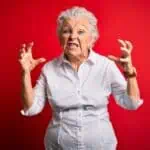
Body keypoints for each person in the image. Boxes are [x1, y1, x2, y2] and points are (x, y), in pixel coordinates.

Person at [19, 6, 143, 150]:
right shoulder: (49, 69)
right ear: (60, 37)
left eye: (80, 31)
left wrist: (130, 74)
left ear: (92, 38)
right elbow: (31, 108)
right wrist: (25, 73)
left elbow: (131, 104)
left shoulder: (106, 66)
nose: (72, 37)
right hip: (58, 146)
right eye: (66, 31)